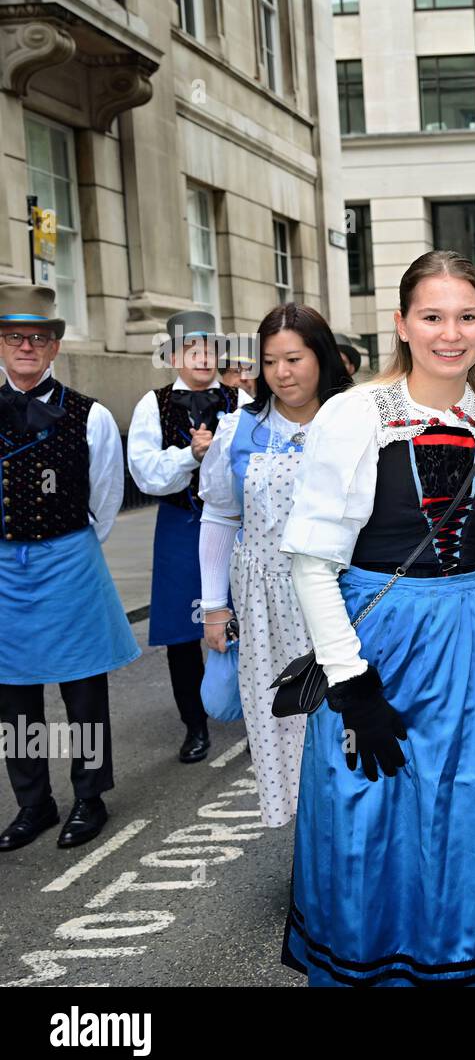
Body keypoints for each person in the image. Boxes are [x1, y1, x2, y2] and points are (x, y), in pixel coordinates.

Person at [280, 251, 475, 986]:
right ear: (402, 324)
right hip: (377, 644)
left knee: (466, 812)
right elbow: (311, 559)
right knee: (371, 817)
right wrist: (350, 681)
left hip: (473, 641)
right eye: (432, 317)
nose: (450, 333)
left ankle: (462, 969)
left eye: (466, 317)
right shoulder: (355, 415)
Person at [198, 303, 350, 828]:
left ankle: (352, 850)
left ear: (321, 357)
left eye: (294, 358)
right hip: (265, 606)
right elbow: (219, 515)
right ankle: (305, 856)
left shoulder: (353, 420)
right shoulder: (239, 428)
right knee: (281, 727)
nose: (282, 373)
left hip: (342, 597)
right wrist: (214, 607)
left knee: (343, 722)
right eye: (269, 362)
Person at [0, 285, 139, 851]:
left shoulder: (93, 415)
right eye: (14, 337)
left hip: (69, 559)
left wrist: (67, 546)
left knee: (82, 690)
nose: (27, 346)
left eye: (39, 337)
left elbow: (105, 499)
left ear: (55, 347)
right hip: (5, 570)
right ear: (1, 345)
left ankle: (89, 796)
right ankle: (34, 803)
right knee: (14, 696)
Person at [127, 311, 242, 764]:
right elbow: (144, 474)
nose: (203, 357)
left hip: (235, 526)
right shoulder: (150, 404)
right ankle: (195, 726)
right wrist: (189, 456)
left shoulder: (241, 398)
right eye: (193, 350)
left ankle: (253, 709)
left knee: (243, 619)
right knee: (180, 634)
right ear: (173, 356)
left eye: (211, 349)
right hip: (178, 525)